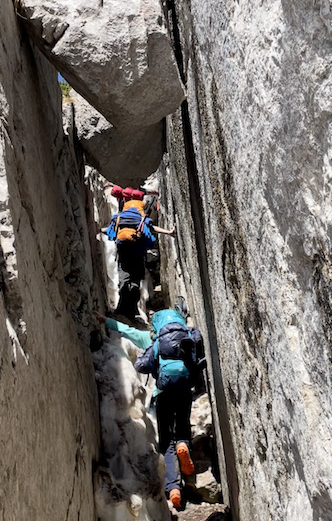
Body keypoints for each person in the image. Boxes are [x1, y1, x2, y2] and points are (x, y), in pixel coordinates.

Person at [95, 307, 205, 510]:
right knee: (182, 427)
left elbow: (128, 332)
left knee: (166, 442)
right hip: (184, 391)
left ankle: (173, 488)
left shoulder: (152, 340)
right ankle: (184, 446)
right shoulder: (187, 336)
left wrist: (105, 321)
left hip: (162, 394)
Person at [102, 187, 175, 320]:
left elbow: (110, 231)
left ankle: (121, 310)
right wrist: (168, 232)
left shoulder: (119, 216)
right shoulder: (141, 217)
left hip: (123, 250)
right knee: (135, 279)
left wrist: (99, 230)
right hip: (138, 252)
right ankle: (132, 310)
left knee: (124, 277)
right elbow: (151, 228)